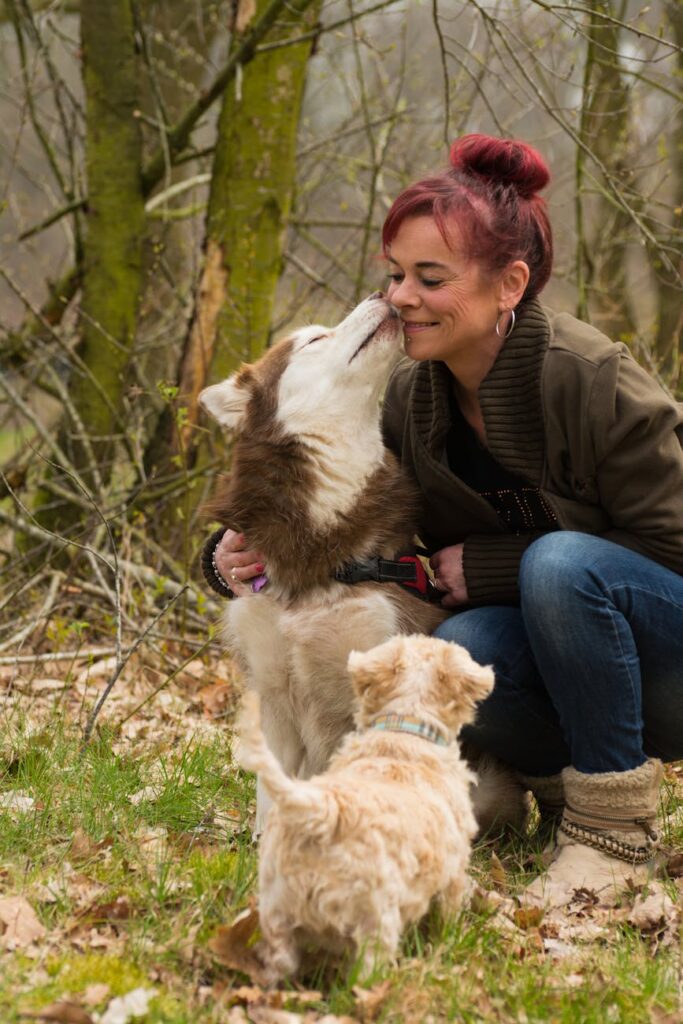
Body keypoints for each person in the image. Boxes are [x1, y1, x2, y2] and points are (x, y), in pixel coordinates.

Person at [205, 134, 683, 906]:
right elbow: (330, 510)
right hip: (578, 669)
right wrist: (238, 547)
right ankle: (560, 792)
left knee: (556, 565)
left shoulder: (591, 377)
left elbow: (670, 545)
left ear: (509, 285)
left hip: (669, 661)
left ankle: (613, 835)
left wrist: (498, 566)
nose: (399, 297)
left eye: (430, 278)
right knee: (456, 647)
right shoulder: (411, 398)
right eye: (394, 275)